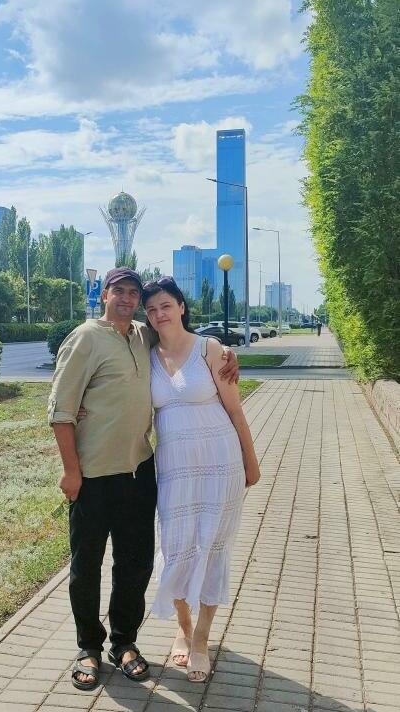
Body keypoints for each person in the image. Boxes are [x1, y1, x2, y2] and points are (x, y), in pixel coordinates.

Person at [48, 267, 239, 691]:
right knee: (86, 564)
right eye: (119, 291)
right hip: (93, 475)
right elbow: (61, 411)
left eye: (134, 294)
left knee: (135, 564)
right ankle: (88, 647)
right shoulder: (84, 338)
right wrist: (70, 471)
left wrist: (226, 352)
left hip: (139, 471)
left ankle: (124, 642)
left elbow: (184, 340)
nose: (128, 299)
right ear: (104, 295)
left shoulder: (142, 335)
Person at [142, 276, 261, 683]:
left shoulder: (210, 350)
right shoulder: (146, 354)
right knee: (176, 548)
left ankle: (201, 639)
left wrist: (251, 461)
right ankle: (183, 625)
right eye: (152, 309)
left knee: (211, 547)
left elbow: (235, 410)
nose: (159, 314)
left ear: (181, 307)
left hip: (220, 463)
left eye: (166, 305)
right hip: (174, 469)